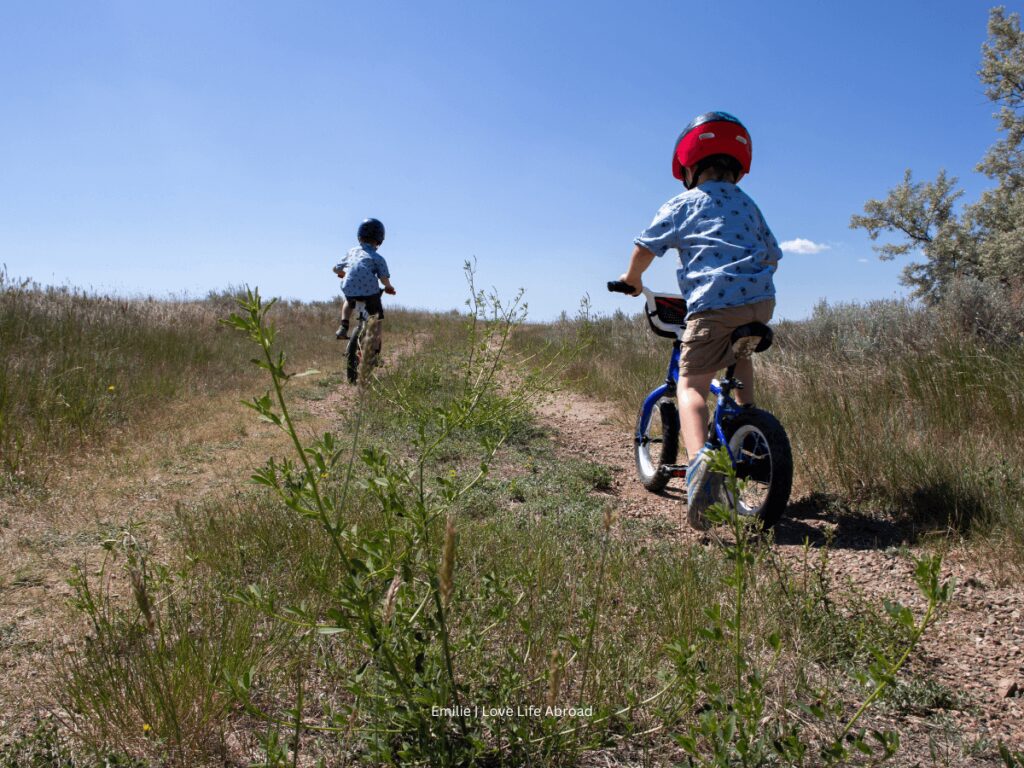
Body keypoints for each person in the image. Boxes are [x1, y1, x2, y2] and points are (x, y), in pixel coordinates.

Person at [618, 111, 782, 528]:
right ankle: (749, 436)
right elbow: (772, 255)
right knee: (738, 358)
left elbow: (645, 247)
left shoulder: (684, 203)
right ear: (736, 170)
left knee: (690, 385)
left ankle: (699, 469)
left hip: (712, 304)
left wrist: (632, 279)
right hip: (761, 305)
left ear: (690, 168)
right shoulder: (749, 205)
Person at [333, 218, 396, 365]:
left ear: (359, 236)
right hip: (369, 292)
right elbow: (383, 278)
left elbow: (336, 268)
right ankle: (374, 355)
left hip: (349, 287)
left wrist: (342, 273)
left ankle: (344, 325)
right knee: (377, 321)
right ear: (380, 239)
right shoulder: (378, 258)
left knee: (348, 301)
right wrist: (388, 287)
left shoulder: (351, 252)